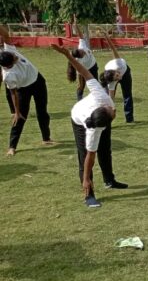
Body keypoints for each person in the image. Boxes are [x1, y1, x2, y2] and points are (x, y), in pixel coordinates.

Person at [52, 44, 127, 208]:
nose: (114, 110)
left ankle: (109, 180)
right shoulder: (95, 129)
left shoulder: (101, 95)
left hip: (93, 117)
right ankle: (89, 194)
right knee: (83, 154)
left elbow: (85, 72)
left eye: (111, 110)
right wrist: (86, 178)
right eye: (113, 113)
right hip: (78, 119)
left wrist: (68, 56)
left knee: (105, 149)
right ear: (105, 122)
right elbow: (89, 157)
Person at [0, 25, 54, 155]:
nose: (16, 57)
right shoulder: (9, 75)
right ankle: (12, 147)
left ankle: (46, 138)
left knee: (42, 111)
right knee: (20, 118)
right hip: (23, 89)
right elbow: (13, 93)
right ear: (9, 65)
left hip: (38, 81)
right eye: (14, 58)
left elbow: (6, 36)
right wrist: (17, 112)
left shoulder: (8, 51)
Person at [101, 28, 134, 123]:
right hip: (111, 74)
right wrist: (112, 109)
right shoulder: (111, 82)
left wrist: (107, 37)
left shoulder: (118, 63)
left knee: (127, 95)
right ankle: (107, 119)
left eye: (117, 75)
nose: (119, 78)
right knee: (108, 97)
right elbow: (111, 98)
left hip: (126, 71)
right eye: (117, 78)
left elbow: (112, 48)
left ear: (116, 72)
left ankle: (129, 119)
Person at [67, 17, 99, 101]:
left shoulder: (82, 46)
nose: (83, 52)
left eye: (81, 51)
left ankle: (96, 98)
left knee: (96, 83)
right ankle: (79, 100)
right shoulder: (78, 61)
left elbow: (81, 36)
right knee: (81, 86)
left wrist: (76, 25)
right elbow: (76, 67)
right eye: (82, 54)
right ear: (79, 57)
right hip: (83, 70)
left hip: (93, 66)